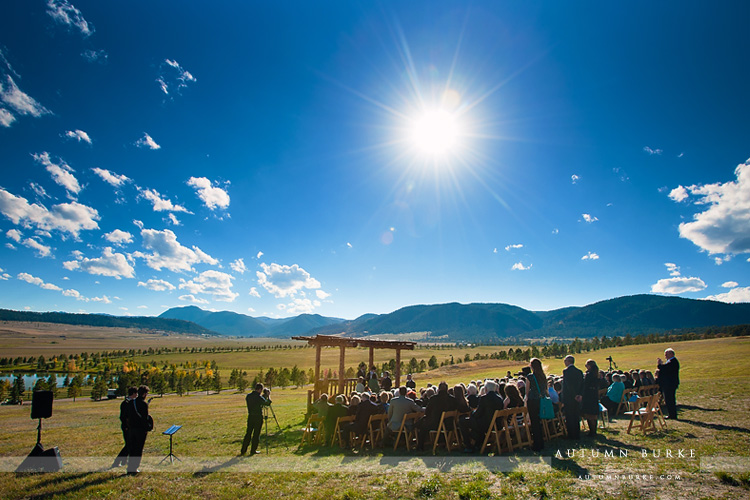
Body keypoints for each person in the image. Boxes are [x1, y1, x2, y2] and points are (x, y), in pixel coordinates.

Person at [459, 380, 504, 452]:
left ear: (485, 389)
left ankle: (468, 445)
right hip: (496, 424)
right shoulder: (500, 399)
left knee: (462, 421)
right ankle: (477, 444)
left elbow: (477, 413)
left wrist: (472, 413)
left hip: (485, 425)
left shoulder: (484, 398)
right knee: (474, 425)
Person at [416, 381, 457, 451]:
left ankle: (420, 446)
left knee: (422, 425)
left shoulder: (434, 399)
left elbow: (427, 412)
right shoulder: (452, 399)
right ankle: (442, 442)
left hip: (436, 424)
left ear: (439, 389)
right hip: (450, 425)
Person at [126, 385, 152, 475]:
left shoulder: (131, 403)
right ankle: (134, 468)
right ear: (144, 394)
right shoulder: (143, 404)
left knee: (132, 449)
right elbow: (144, 418)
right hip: (140, 430)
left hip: (131, 429)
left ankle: (129, 468)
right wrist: (148, 427)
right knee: (138, 449)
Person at [240, 383, 270, 456]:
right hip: (258, 417)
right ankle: (253, 450)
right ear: (260, 389)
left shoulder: (248, 396)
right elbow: (267, 403)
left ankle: (243, 450)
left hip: (250, 417)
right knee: (256, 434)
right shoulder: (259, 397)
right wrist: (268, 396)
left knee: (248, 433)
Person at [112, 386, 137, 468]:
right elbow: (123, 416)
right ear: (133, 393)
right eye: (136, 393)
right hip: (127, 426)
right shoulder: (126, 403)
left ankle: (123, 461)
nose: (137, 395)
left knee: (129, 444)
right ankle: (117, 462)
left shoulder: (130, 402)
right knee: (129, 445)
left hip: (130, 426)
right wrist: (127, 425)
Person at [525, 358, 546, 452]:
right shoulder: (543, 376)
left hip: (533, 400)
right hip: (541, 400)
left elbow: (527, 392)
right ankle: (541, 442)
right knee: (540, 421)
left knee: (534, 423)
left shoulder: (530, 377)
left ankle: (537, 444)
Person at [562, 355, 584, 440]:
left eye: (565, 360)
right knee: (576, 415)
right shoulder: (579, 371)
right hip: (578, 397)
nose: (564, 362)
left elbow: (568, 385)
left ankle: (571, 434)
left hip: (569, 397)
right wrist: (580, 394)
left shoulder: (566, 371)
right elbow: (582, 384)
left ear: (569, 361)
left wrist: (574, 395)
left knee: (569, 416)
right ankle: (577, 433)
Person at [658, 348, 680, 419]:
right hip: (669, 384)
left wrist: (660, 365)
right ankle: (671, 414)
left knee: (670, 400)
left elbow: (666, 370)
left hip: (670, 384)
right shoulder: (670, 361)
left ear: (671, 354)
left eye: (666, 354)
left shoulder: (673, 362)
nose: (665, 356)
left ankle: (672, 415)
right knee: (669, 399)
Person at [581, 360, 600, 437]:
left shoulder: (589, 375)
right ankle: (594, 430)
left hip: (588, 395)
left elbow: (585, 385)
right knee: (594, 414)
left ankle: (591, 431)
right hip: (594, 395)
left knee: (589, 414)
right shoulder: (596, 374)